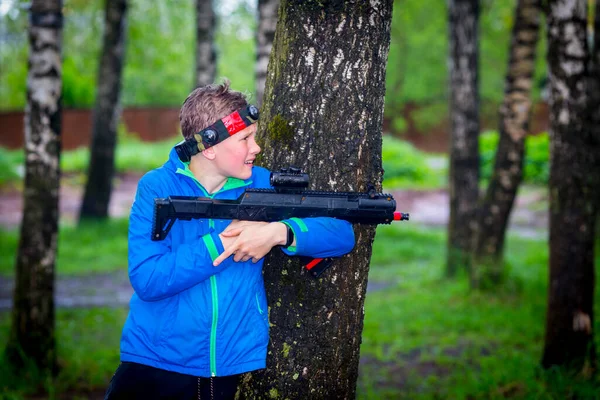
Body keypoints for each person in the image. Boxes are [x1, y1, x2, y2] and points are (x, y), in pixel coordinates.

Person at [104, 81, 355, 400]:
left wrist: (278, 232)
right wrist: (224, 242)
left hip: (223, 371)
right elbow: (148, 279)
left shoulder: (262, 184)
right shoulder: (156, 187)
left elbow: (341, 233)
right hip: (152, 365)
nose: (257, 148)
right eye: (245, 138)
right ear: (209, 147)